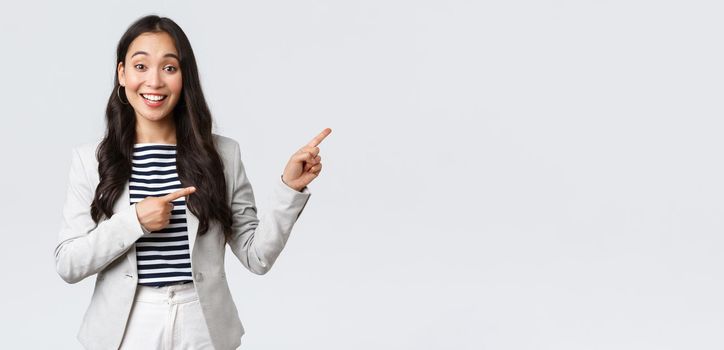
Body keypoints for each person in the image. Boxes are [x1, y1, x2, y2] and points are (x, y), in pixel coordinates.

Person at [54, 15, 331, 350]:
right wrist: (135, 221)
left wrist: (289, 187)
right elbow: (69, 263)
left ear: (185, 77)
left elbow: (256, 257)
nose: (154, 81)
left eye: (169, 68)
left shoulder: (222, 154)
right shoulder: (91, 159)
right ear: (122, 74)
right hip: (126, 329)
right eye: (141, 66)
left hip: (201, 326)